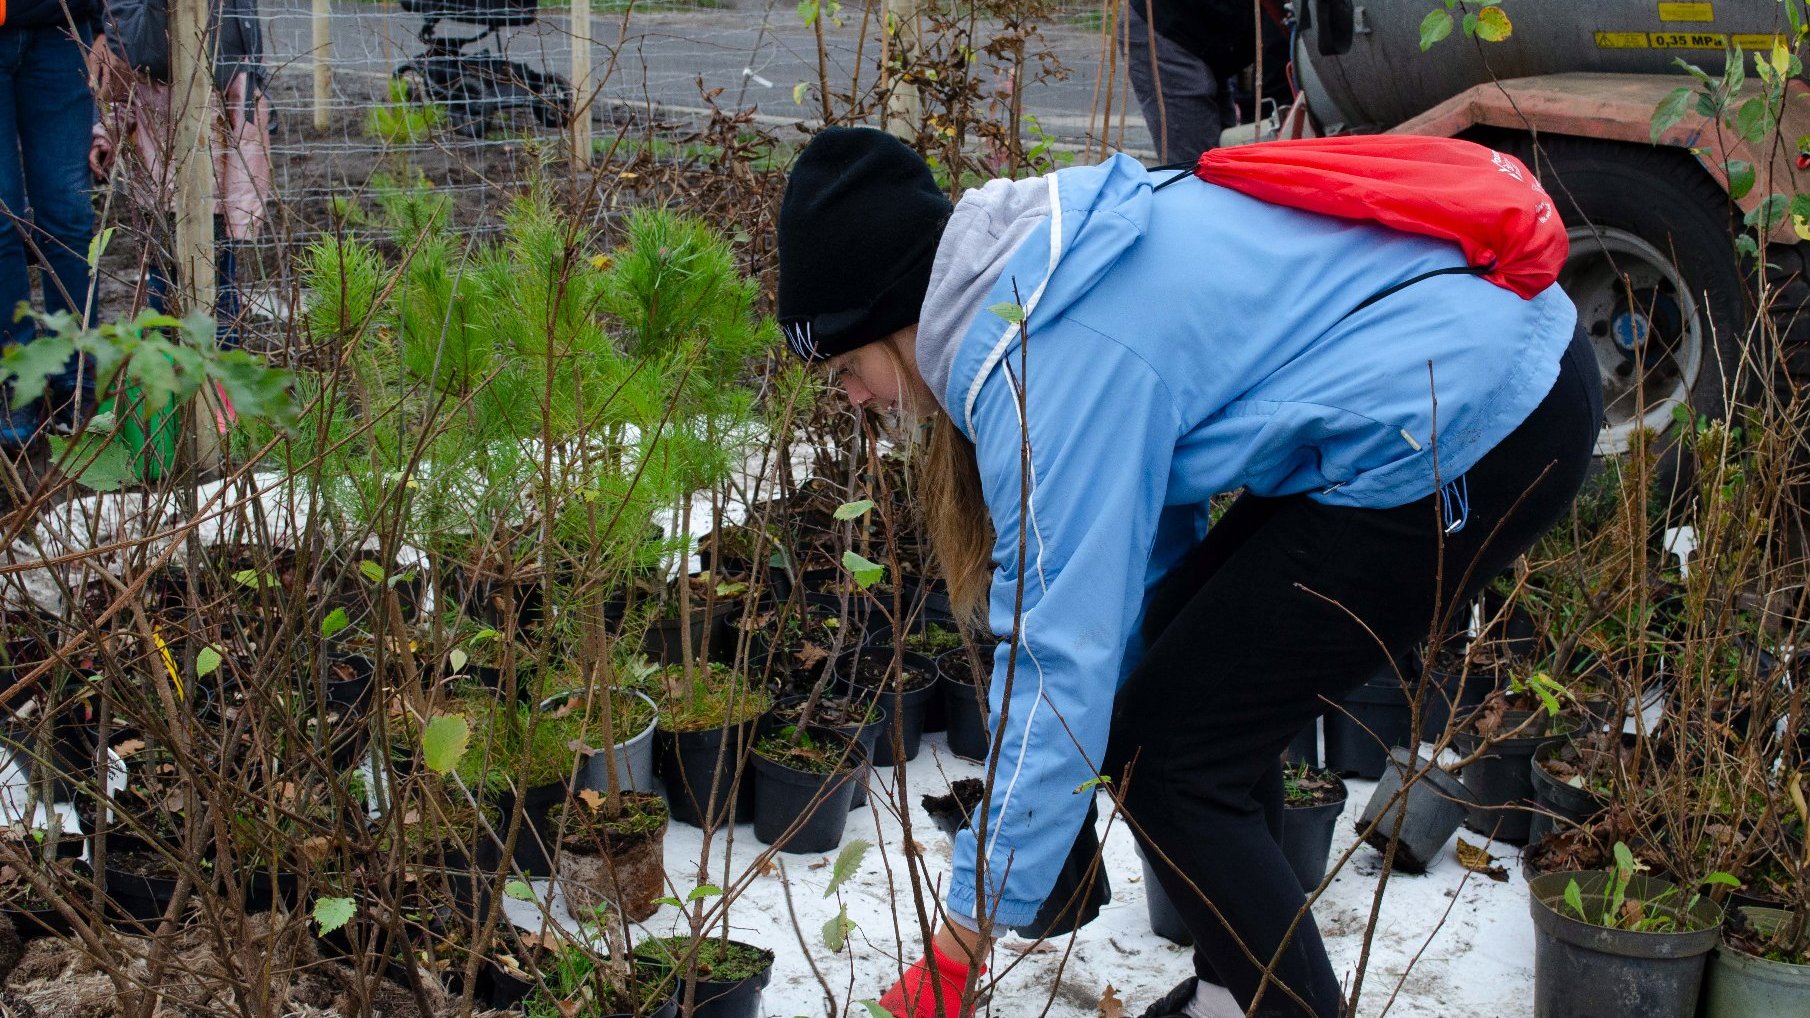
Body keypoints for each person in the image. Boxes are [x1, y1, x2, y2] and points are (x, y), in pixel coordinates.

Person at [774, 128, 1602, 1018]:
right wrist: (1087, 762)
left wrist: (958, 946)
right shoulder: (1040, 265)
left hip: (1478, 423)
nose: (853, 397)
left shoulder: (1045, 371)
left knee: (1171, 763)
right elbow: (1141, 584)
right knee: (1176, 698)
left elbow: (1057, 663)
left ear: (894, 315)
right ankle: (1227, 994)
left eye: (848, 366)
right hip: (1450, 381)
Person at [90, 0, 270, 349]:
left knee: (220, 292)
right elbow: (121, 93)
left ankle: (218, 386)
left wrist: (241, 208)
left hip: (216, 199)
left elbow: (248, 121)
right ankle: (165, 386)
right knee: (160, 290)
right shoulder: (137, 27)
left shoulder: (227, 30)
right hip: (157, 193)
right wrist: (107, 133)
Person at [0, 0, 102, 448]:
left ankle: (75, 379)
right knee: (0, 217)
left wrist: (105, 27)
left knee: (69, 214)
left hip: (62, 31)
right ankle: (15, 378)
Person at [1121, 0, 1290, 162]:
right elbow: (1274, 76)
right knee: (1197, 166)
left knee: (1225, 158)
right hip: (1167, 28)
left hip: (1210, 38)